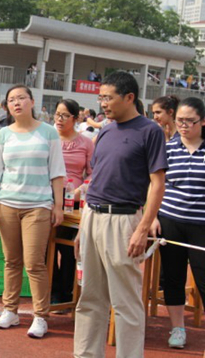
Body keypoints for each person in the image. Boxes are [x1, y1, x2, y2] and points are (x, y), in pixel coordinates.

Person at [74, 72, 167, 358]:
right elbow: (97, 177)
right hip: (93, 216)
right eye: (100, 97)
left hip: (124, 219)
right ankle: (86, 354)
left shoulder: (150, 131)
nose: (102, 103)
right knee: (90, 297)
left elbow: (157, 183)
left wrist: (142, 228)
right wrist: (81, 227)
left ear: (129, 97)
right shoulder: (106, 130)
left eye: (108, 97)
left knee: (126, 302)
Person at [0, 85, 65, 337]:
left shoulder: (49, 133)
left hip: (37, 206)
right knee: (11, 261)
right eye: (11, 100)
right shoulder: (2, 135)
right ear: (7, 106)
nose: (16, 103)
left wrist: (58, 205)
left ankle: (40, 316)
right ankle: (11, 311)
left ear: (31, 102)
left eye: (21, 98)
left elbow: (57, 171)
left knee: (35, 263)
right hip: (6, 204)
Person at [152, 97, 205, 349]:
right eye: (180, 121)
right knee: (172, 277)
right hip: (170, 221)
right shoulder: (168, 148)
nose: (183, 125)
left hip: (201, 225)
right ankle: (177, 329)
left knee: (202, 276)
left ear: (203, 121)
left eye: (190, 121)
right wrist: (151, 217)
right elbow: (155, 185)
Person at [51, 99, 93, 305]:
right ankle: (52, 288)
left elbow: (94, 173)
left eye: (65, 115)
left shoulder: (86, 143)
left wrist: (81, 188)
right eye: (57, 114)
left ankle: (65, 290)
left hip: (73, 204)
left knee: (68, 249)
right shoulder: (47, 138)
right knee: (42, 249)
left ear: (76, 119)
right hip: (47, 199)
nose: (59, 119)